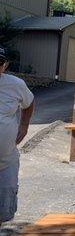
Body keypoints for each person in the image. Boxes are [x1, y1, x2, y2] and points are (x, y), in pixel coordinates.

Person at [0, 46, 34, 224]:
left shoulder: (15, 85)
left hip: (5, 163)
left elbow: (29, 103)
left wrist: (24, 125)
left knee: (1, 212)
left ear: (5, 65)